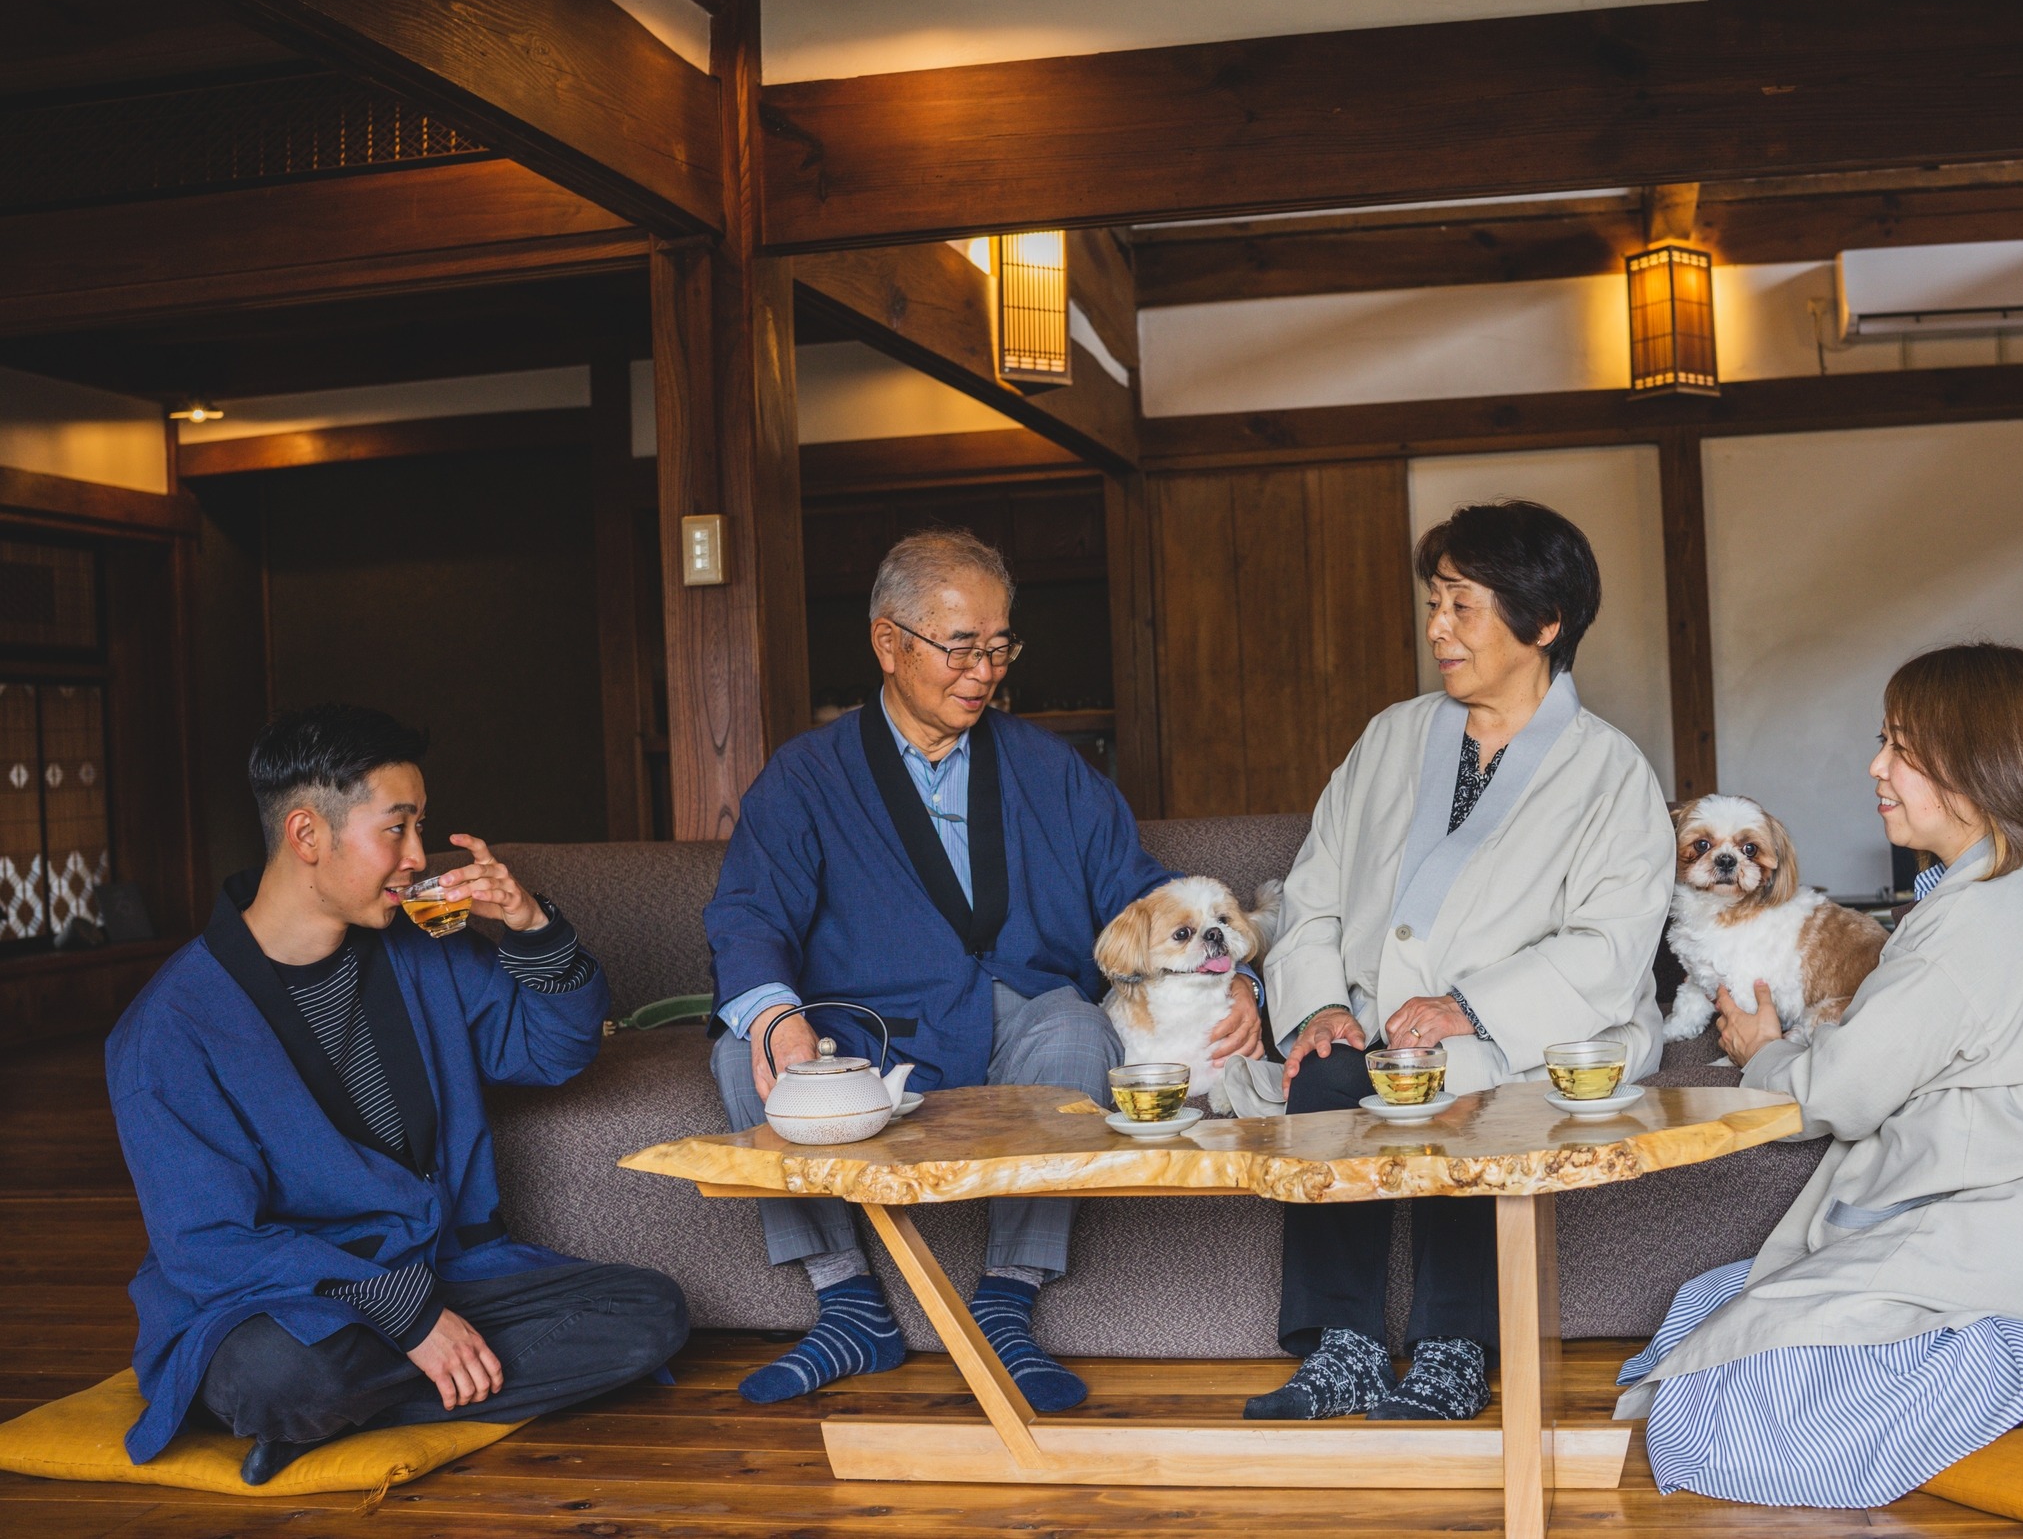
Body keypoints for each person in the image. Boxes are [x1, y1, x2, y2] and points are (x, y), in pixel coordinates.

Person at [1615, 643, 2023, 1507]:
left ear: (1980, 768)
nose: (1876, 767)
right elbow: (1884, 1053)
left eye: (1904, 750)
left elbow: (1829, 1096)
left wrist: (1761, 1050)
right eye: (1884, 741)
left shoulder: (1974, 925)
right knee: (1708, 1307)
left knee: (1702, 1428)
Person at [705, 527, 1264, 1411]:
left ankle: (1007, 1299)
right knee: (744, 1057)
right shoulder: (804, 777)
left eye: (999, 646)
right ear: (889, 643)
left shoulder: (1053, 769)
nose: (985, 668)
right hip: (865, 1030)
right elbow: (748, 914)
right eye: (960, 645)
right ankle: (848, 1305)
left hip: (1017, 1014)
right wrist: (777, 1016)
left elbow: (1144, 894)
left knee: (1079, 1030)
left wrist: (1239, 979)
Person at [106, 705, 688, 1486]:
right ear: (307, 835)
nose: (419, 856)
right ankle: (355, 1392)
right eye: (398, 828)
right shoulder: (169, 1028)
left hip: (447, 1272)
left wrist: (529, 923)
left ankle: (348, 1413)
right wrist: (405, 1315)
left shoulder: (420, 949)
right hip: (284, 1302)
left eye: (422, 828)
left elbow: (552, 1051)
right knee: (280, 1377)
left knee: (648, 1314)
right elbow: (208, 1244)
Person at [1243, 500, 1674, 1422]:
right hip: (1372, 1012)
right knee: (1324, 1074)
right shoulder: (1390, 738)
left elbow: (1609, 946)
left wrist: (1468, 1007)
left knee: (1467, 1086)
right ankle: (1341, 1347)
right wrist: (1319, 1004)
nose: (1437, 629)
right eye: (1435, 602)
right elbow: (1312, 890)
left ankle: (1453, 1350)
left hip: (1514, 1029)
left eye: (1463, 606)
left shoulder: (1611, 773)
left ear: (1545, 624)